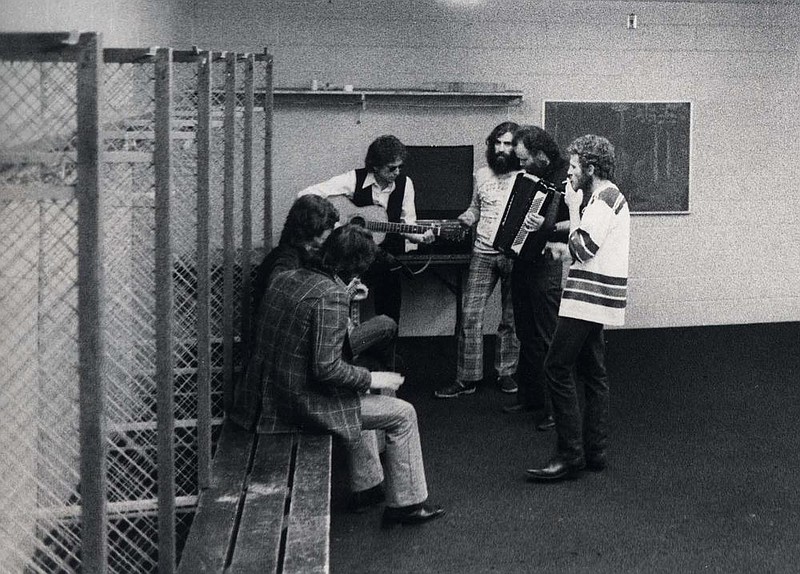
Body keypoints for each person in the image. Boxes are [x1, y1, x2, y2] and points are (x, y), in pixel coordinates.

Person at [234, 223, 445, 525]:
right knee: (402, 413)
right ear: (358, 267)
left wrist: (342, 296)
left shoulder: (288, 277)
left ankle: (368, 487)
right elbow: (327, 368)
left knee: (361, 390)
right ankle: (406, 505)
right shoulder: (331, 297)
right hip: (296, 405)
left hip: (265, 394)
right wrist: (373, 378)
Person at [526, 134, 630, 482]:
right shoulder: (605, 197)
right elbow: (590, 246)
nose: (568, 173)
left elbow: (585, 247)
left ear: (590, 168)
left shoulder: (603, 198)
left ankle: (570, 455)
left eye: (573, 167)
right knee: (594, 373)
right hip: (597, 294)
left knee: (556, 367)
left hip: (587, 297)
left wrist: (572, 207)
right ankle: (594, 453)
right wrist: (564, 250)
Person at [248, 194, 396, 373]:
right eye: (328, 229)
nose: (331, 234)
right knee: (387, 325)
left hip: (304, 345)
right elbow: (292, 311)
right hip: (301, 352)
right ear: (312, 230)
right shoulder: (285, 264)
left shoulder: (292, 255)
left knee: (377, 346)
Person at [298, 135, 435, 324]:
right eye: (391, 168)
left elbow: (408, 224)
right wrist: (332, 223)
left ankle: (386, 349)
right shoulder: (354, 179)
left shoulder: (406, 184)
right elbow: (305, 194)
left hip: (385, 257)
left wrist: (420, 238)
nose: (397, 172)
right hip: (351, 256)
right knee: (339, 306)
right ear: (375, 166)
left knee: (390, 309)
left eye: (400, 167)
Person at [434, 122, 521, 398]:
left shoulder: (525, 175)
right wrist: (466, 218)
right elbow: (475, 208)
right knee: (470, 316)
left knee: (511, 319)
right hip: (482, 253)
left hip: (512, 255)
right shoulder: (481, 174)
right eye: (498, 143)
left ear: (516, 148)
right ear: (491, 145)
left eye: (508, 144)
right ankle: (467, 378)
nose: (502, 149)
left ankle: (506, 372)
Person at [500, 125, 572, 433]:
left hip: (546, 263)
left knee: (546, 336)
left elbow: (580, 221)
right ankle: (531, 398)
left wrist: (548, 226)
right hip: (523, 260)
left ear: (541, 155)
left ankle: (556, 410)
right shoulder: (532, 174)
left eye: (525, 160)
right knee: (525, 333)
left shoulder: (568, 178)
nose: (521, 166)